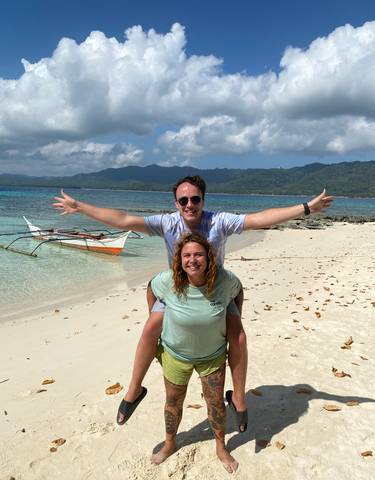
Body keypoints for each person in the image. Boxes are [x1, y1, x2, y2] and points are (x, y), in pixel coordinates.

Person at [53, 175, 333, 432]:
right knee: (151, 326)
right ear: (176, 203)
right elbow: (123, 220)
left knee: (240, 337)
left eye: (195, 199)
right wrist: (79, 206)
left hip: (216, 291)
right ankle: (134, 390)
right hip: (178, 291)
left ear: (203, 201)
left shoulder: (219, 222)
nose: (190, 204)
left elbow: (260, 219)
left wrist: (306, 208)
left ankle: (238, 398)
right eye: (183, 200)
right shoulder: (166, 223)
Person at [150, 232, 242, 473]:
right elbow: (151, 287)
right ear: (179, 259)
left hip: (212, 356)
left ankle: (221, 447)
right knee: (173, 402)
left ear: (209, 257)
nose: (192, 260)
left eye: (198, 254)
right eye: (187, 255)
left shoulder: (224, 280)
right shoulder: (168, 280)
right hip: (175, 355)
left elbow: (238, 290)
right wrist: (153, 313)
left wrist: (234, 316)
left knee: (215, 403)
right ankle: (170, 443)